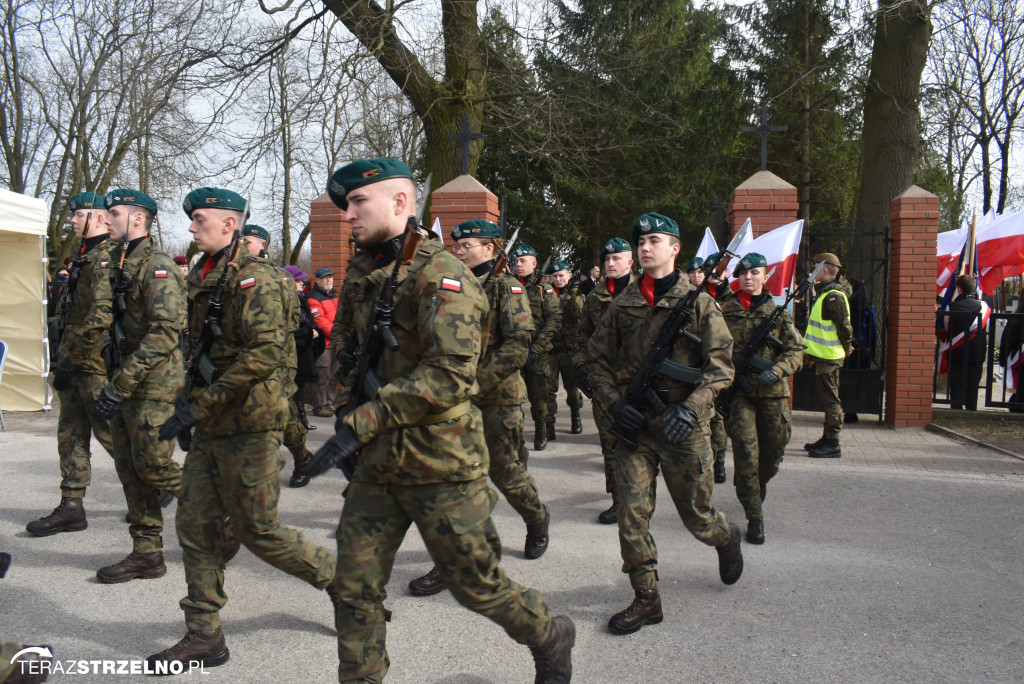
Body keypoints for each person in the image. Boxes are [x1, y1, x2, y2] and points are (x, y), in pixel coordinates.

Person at [311, 158, 574, 683]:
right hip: (377, 466)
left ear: (401, 204)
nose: (348, 216)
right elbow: (346, 344)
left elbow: (449, 376)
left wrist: (358, 422)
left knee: (477, 586)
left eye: (359, 203)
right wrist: (345, 402)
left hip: (440, 460)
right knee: (352, 586)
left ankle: (548, 631)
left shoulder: (441, 275)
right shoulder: (365, 271)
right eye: (344, 206)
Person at [146, 187, 336, 672]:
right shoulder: (207, 275)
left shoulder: (257, 279)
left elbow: (264, 354)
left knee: (259, 531)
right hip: (214, 423)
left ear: (230, 225)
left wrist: (197, 406)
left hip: (251, 423)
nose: (191, 228)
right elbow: (203, 348)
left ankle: (345, 582)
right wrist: (191, 404)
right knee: (193, 523)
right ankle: (204, 633)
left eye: (201, 220)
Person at [588, 212, 743, 636]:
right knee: (631, 517)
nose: (644, 246)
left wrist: (691, 409)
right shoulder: (622, 304)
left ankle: (725, 538)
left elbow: (722, 367)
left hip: (682, 430)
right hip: (635, 429)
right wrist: (614, 404)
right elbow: (594, 362)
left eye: (655, 240)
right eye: (641, 241)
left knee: (697, 516)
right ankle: (646, 598)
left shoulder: (700, 303)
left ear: (675, 248)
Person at [406, 218, 552, 597]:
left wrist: (475, 384)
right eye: (456, 246)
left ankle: (536, 518)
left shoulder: (508, 288)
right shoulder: (450, 285)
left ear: (490, 249)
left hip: (495, 398)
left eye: (467, 246)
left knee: (507, 475)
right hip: (451, 401)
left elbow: (518, 344)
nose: (459, 251)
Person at [91, 189, 187, 582]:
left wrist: (122, 383)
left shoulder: (158, 266)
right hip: (124, 379)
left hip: (153, 383)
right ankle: (146, 552)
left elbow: (165, 332)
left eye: (113, 214)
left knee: (154, 465)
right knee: (130, 467)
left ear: (137, 218)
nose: (107, 220)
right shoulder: (115, 262)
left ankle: (217, 507)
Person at [27, 192, 117, 537]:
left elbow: (99, 317)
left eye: (80, 216)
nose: (74, 222)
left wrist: (73, 357)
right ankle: (72, 505)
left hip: (93, 363)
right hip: (73, 361)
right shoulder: (82, 256)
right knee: (71, 434)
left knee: (112, 435)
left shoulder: (107, 257)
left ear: (97, 217)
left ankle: (158, 484)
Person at [719, 253, 805, 544]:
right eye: (743, 273)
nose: (748, 277)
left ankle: (759, 484)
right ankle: (754, 517)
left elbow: (797, 351)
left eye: (755, 272)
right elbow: (714, 351)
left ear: (765, 277)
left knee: (771, 454)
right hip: (739, 394)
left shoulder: (779, 313)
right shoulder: (725, 312)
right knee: (745, 454)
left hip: (772, 395)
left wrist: (779, 370)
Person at [575, 237, 634, 524]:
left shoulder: (645, 294)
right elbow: (583, 335)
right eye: (607, 260)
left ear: (630, 262)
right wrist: (582, 367)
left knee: (636, 442)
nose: (611, 264)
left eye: (617, 258)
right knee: (609, 444)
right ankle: (618, 500)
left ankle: (639, 495)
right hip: (605, 382)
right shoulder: (595, 298)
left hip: (637, 383)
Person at [512, 244, 563, 451]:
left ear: (534, 263)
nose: (518, 264)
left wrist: (538, 346)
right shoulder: (508, 285)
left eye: (523, 261)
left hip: (537, 353)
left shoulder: (544, 289)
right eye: (516, 261)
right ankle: (515, 434)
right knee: (512, 397)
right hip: (513, 351)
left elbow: (555, 318)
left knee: (538, 397)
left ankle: (541, 428)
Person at [803, 252, 853, 458]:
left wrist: (847, 345)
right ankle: (827, 438)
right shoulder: (826, 292)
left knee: (831, 401)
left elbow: (844, 326)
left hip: (829, 357)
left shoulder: (834, 296)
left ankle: (833, 443)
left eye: (815, 267)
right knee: (828, 399)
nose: (812, 271)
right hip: (824, 356)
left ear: (823, 269)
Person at [686, 255, 728, 484]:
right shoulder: (687, 298)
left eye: (700, 272)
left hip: (717, 365)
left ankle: (719, 460)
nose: (696, 276)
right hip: (692, 365)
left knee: (717, 418)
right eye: (693, 272)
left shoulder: (731, 298)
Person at [281, 264, 321, 487]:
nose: (302, 284)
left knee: (286, 419)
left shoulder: (293, 299)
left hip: (280, 366)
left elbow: (297, 324)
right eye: (298, 281)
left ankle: (302, 459)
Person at [546, 260, 584, 436]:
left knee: (572, 388)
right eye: (555, 276)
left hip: (569, 350)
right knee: (549, 389)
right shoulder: (547, 294)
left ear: (569, 276)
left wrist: (574, 290)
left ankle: (575, 415)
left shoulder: (577, 294)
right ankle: (550, 423)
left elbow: (578, 311)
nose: (558, 279)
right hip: (552, 349)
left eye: (561, 275)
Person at [943, 274, 988, 411]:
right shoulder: (983, 306)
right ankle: (971, 411)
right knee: (972, 385)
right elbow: (986, 328)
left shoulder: (951, 307)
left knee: (956, 383)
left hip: (957, 352)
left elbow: (946, 327)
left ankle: (956, 410)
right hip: (976, 353)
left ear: (959, 289)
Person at [308, 266, 339, 417]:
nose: (329, 280)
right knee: (322, 374)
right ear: (317, 280)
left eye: (331, 277)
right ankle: (319, 405)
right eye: (325, 278)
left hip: (336, 343)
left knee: (334, 375)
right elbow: (320, 321)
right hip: (324, 344)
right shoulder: (313, 297)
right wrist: (339, 334)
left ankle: (329, 402)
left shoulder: (334, 296)